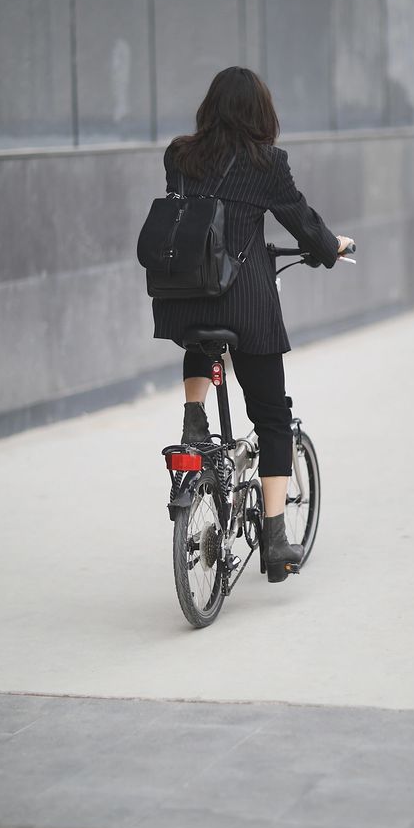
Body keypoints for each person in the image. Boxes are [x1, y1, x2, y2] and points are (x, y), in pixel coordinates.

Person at [152, 66, 354, 583]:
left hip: (184, 299)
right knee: (271, 416)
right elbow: (301, 220)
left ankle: (193, 418)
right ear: (260, 113)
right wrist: (331, 247)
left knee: (202, 330)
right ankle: (275, 535)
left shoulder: (179, 155)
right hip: (246, 307)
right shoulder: (267, 163)